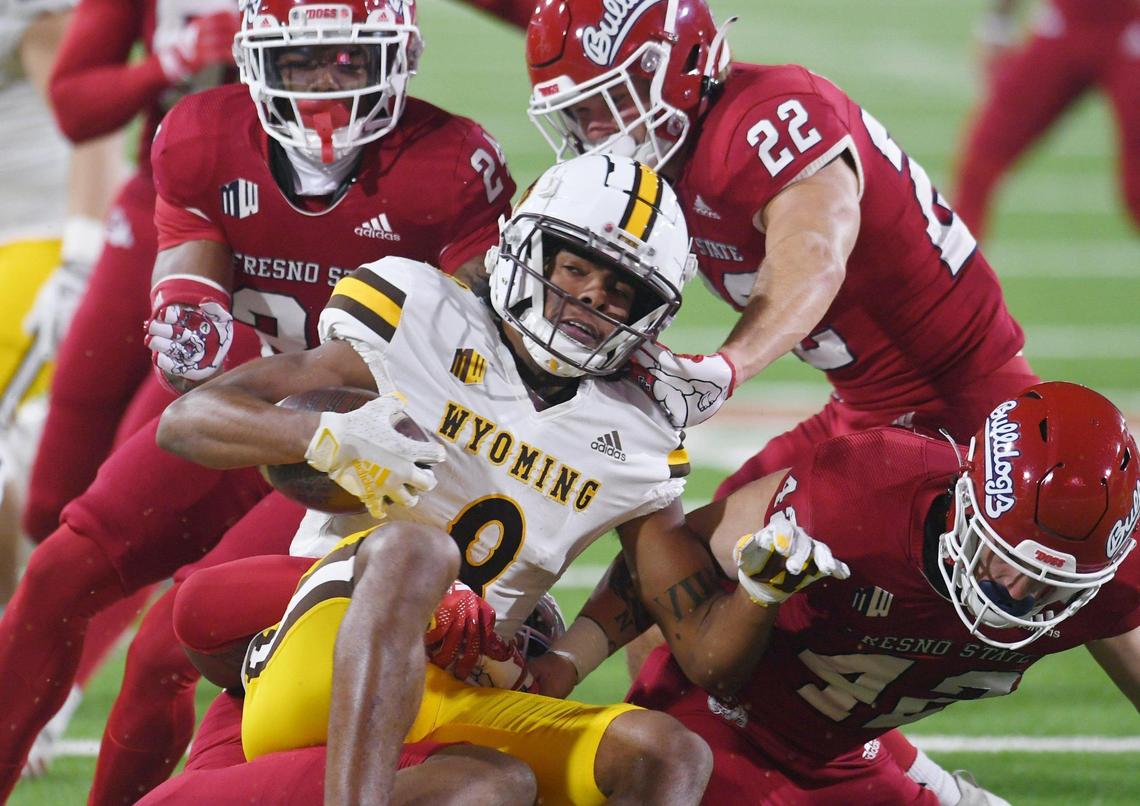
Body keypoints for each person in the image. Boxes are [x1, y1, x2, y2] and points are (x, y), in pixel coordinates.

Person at [0, 0, 514, 798]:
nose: (324, 87)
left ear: (399, 56)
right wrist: (190, 320)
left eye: (348, 60)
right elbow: (192, 356)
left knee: (166, 649)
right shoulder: (203, 135)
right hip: (251, 409)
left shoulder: (450, 164)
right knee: (58, 572)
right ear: (255, 61)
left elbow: (479, 362)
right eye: (301, 60)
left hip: (369, 451)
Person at [151, 153, 714, 804]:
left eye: (620, 290)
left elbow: (664, 587)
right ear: (526, 249)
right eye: (575, 268)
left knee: (666, 755)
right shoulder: (422, 317)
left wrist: (568, 660)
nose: (592, 296)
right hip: (333, 645)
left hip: (464, 689)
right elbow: (186, 420)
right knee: (417, 551)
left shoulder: (638, 435)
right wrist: (326, 436)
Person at [538, 381, 1140, 804]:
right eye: (1002, 557)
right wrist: (567, 661)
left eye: (1053, 584)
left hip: (847, 750)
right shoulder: (864, 494)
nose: (1016, 593)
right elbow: (669, 558)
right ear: (965, 503)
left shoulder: (1115, 584)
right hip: (728, 726)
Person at [0, 0, 124, 775]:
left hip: (37, 241)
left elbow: (89, 125)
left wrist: (81, 255)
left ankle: (29, 666)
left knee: (32, 478)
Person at [954, 0, 1140, 239]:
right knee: (981, 161)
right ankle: (954, 263)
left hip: (1131, 24)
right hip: (1065, 21)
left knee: (1137, 191)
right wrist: (997, 24)